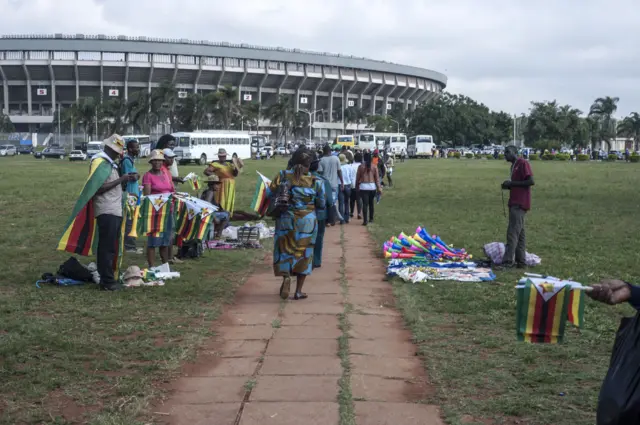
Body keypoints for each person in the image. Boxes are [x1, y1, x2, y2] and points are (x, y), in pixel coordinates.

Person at [58, 135, 138, 291]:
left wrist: (125, 180)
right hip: (106, 209)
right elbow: (96, 189)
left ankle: (109, 277)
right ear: (107, 148)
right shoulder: (99, 163)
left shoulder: (110, 164)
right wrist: (121, 179)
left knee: (111, 246)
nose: (116, 153)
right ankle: (107, 282)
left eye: (118, 151)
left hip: (114, 209)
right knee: (106, 247)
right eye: (114, 150)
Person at [271, 149, 325, 300]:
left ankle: (286, 277)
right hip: (307, 221)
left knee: (285, 250)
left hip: (285, 219)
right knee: (304, 253)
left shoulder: (282, 176)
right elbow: (321, 203)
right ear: (310, 166)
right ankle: (298, 291)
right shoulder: (316, 182)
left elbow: (270, 192)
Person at [500, 145, 535, 268]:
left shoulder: (522, 163)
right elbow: (518, 184)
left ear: (515, 153)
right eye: (505, 152)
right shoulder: (513, 166)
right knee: (520, 234)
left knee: (512, 233)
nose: (505, 154)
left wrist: (512, 183)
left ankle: (507, 262)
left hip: (519, 203)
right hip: (514, 201)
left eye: (508, 152)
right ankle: (521, 262)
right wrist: (508, 186)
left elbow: (531, 181)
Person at [141, 150, 175, 268]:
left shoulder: (166, 174)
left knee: (166, 239)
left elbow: (171, 189)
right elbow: (147, 197)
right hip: (155, 212)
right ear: (151, 162)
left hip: (168, 210)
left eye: (160, 160)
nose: (157, 163)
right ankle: (152, 267)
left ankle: (165, 265)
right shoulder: (148, 176)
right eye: (155, 160)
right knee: (153, 240)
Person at [121, 139, 143, 254]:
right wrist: (138, 175)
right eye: (136, 147)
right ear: (130, 149)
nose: (138, 149)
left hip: (134, 194)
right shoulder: (126, 161)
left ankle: (131, 245)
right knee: (129, 221)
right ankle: (129, 247)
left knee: (132, 220)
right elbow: (132, 177)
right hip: (130, 195)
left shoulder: (131, 160)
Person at [310, 153, 331, 268]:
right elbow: (328, 201)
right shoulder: (322, 180)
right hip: (320, 214)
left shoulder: (301, 180)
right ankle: (317, 260)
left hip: (304, 213)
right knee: (319, 237)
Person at [203, 148, 239, 214]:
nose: (223, 157)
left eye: (224, 156)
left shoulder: (229, 164)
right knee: (222, 199)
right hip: (222, 185)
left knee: (229, 199)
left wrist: (236, 167)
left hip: (230, 185)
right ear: (219, 156)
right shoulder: (215, 164)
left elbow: (235, 174)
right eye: (221, 156)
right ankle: (222, 213)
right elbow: (206, 171)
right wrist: (216, 176)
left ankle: (228, 214)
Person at [318, 144, 344, 225]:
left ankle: (328, 220)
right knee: (333, 202)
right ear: (330, 151)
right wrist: (342, 182)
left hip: (325, 184)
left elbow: (319, 173)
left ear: (324, 151)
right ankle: (333, 219)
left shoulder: (321, 160)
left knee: (325, 202)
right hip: (334, 184)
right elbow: (339, 171)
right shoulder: (336, 158)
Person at [356, 151, 382, 226]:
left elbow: (357, 179)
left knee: (365, 204)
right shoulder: (374, 166)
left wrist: (357, 187)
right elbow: (377, 179)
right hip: (372, 187)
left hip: (363, 187)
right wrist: (379, 188)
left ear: (364, 158)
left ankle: (365, 221)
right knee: (371, 204)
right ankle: (371, 218)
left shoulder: (360, 166)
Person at [201, 175, 231, 239]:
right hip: (208, 214)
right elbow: (207, 206)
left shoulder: (207, 192)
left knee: (226, 214)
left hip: (207, 213)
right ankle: (218, 234)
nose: (218, 186)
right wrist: (214, 217)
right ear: (211, 185)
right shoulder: (210, 193)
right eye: (216, 184)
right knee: (226, 215)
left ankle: (215, 232)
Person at [349, 151, 363, 220]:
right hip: (360, 185)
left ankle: (351, 212)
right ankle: (359, 213)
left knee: (352, 199)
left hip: (352, 184)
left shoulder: (351, 165)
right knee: (359, 199)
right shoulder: (362, 166)